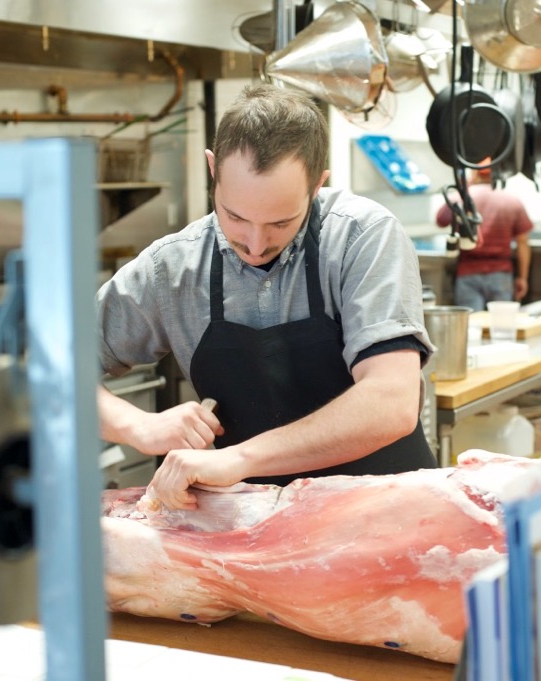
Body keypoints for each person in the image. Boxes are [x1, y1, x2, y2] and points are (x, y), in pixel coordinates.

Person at [96, 83, 437, 510]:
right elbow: (47, 372)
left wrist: (240, 458)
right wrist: (137, 427)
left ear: (317, 186)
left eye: (281, 222)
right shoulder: (172, 268)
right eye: (235, 216)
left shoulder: (361, 236)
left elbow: (391, 401)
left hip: (383, 517)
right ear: (212, 170)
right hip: (254, 537)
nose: (256, 244)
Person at [434, 165, 534, 311]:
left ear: (474, 173)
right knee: (501, 323)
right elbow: (523, 243)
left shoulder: (462, 198)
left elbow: (440, 220)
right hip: (501, 274)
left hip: (468, 272)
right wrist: (523, 278)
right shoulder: (512, 201)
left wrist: (465, 187)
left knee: (471, 327)